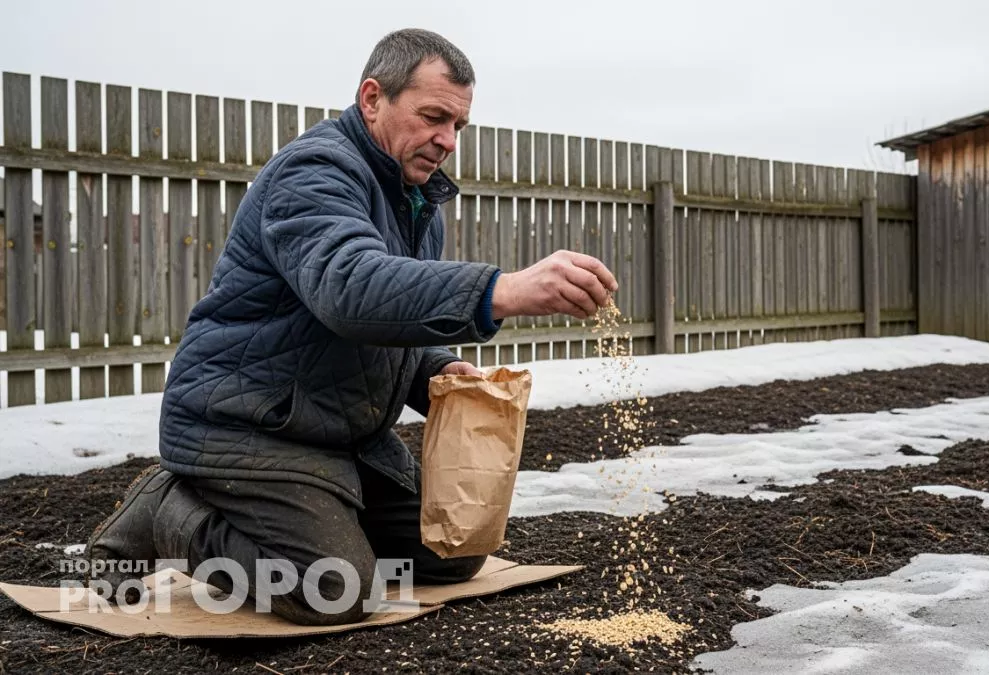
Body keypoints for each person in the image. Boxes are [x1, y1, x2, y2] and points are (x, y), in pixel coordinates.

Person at [83, 28, 618, 626]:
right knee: (332, 590)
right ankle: (168, 512)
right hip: (248, 426)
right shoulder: (313, 173)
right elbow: (350, 288)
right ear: (372, 99)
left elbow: (389, 318)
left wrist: (438, 367)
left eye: (458, 126)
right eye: (434, 117)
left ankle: (320, 523)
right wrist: (504, 289)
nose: (446, 140)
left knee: (454, 552)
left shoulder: (412, 202)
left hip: (336, 432)